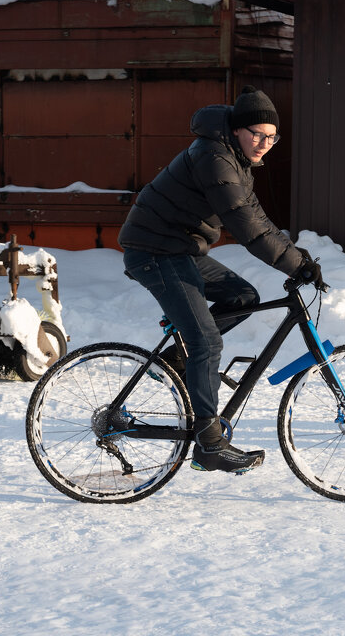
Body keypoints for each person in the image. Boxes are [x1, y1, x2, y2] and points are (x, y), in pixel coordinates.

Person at [119, 86, 324, 474]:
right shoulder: (214, 157)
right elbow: (245, 227)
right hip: (154, 251)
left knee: (242, 296)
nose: (264, 143)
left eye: (271, 137)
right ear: (236, 130)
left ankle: (180, 360)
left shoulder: (236, 160)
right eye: (257, 134)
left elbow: (258, 217)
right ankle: (209, 445)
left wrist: (300, 258)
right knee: (207, 341)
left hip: (180, 250)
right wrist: (294, 266)